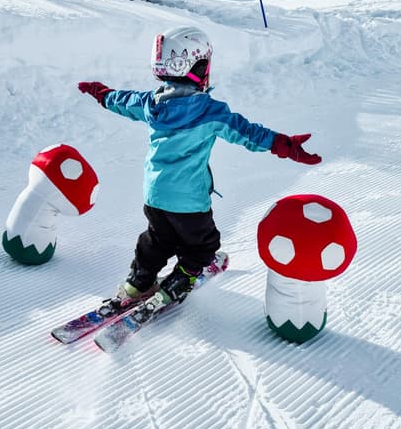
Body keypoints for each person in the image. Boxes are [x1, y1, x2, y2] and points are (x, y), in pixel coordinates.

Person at [78, 25, 321, 313]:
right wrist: (285, 145)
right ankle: (178, 283)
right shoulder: (210, 111)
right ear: (199, 67)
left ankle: (137, 284)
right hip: (189, 201)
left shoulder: (150, 104)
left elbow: (124, 101)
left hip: (155, 195)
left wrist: (102, 93)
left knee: (157, 239)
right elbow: (248, 133)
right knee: (203, 246)